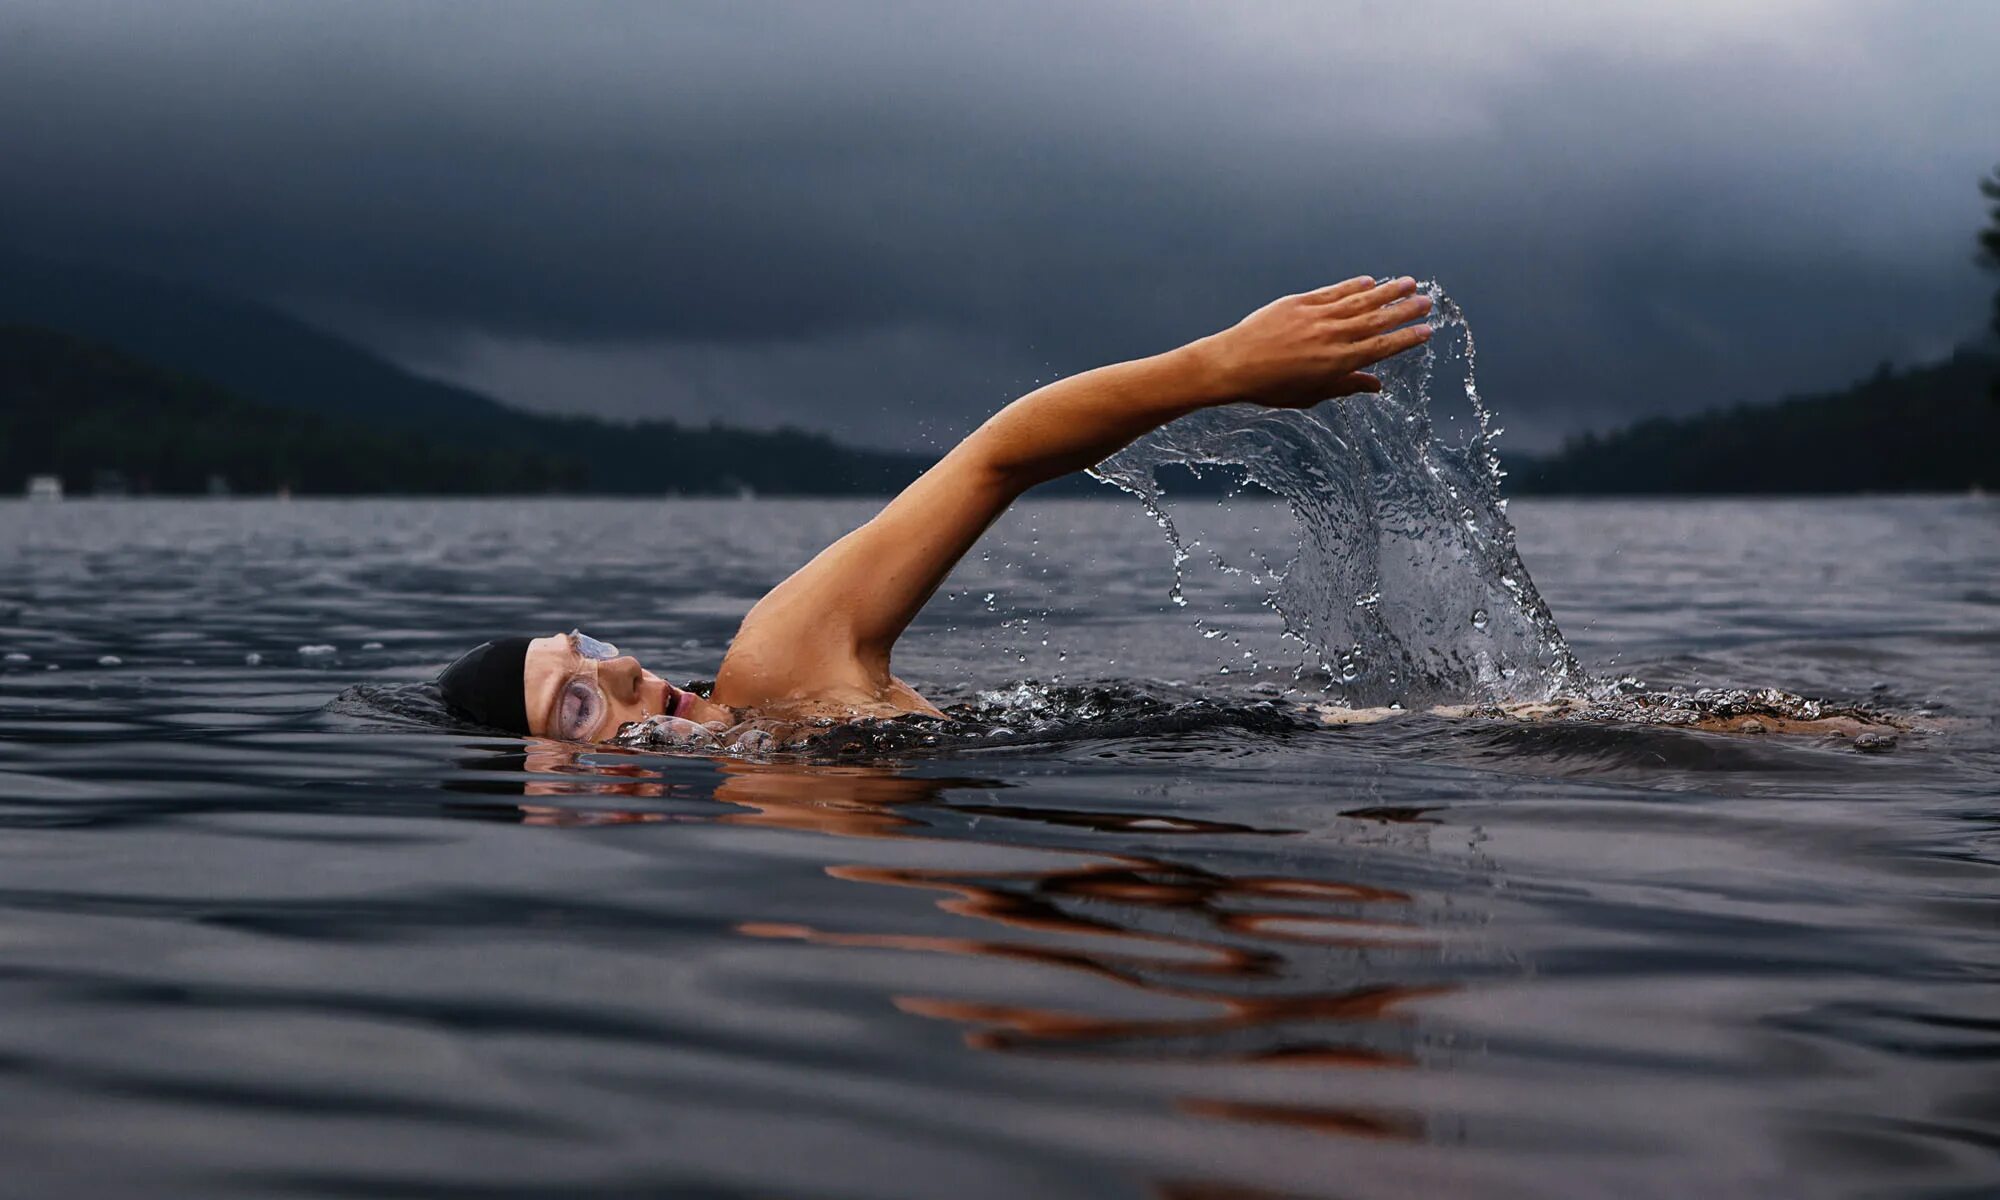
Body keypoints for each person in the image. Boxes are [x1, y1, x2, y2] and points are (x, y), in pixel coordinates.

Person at [437, 276, 1435, 741]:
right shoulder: (767, 858)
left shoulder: (778, 667)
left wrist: (1217, 368)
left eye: (590, 647)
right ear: (547, 795)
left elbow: (994, 459)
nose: (619, 667)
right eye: (574, 702)